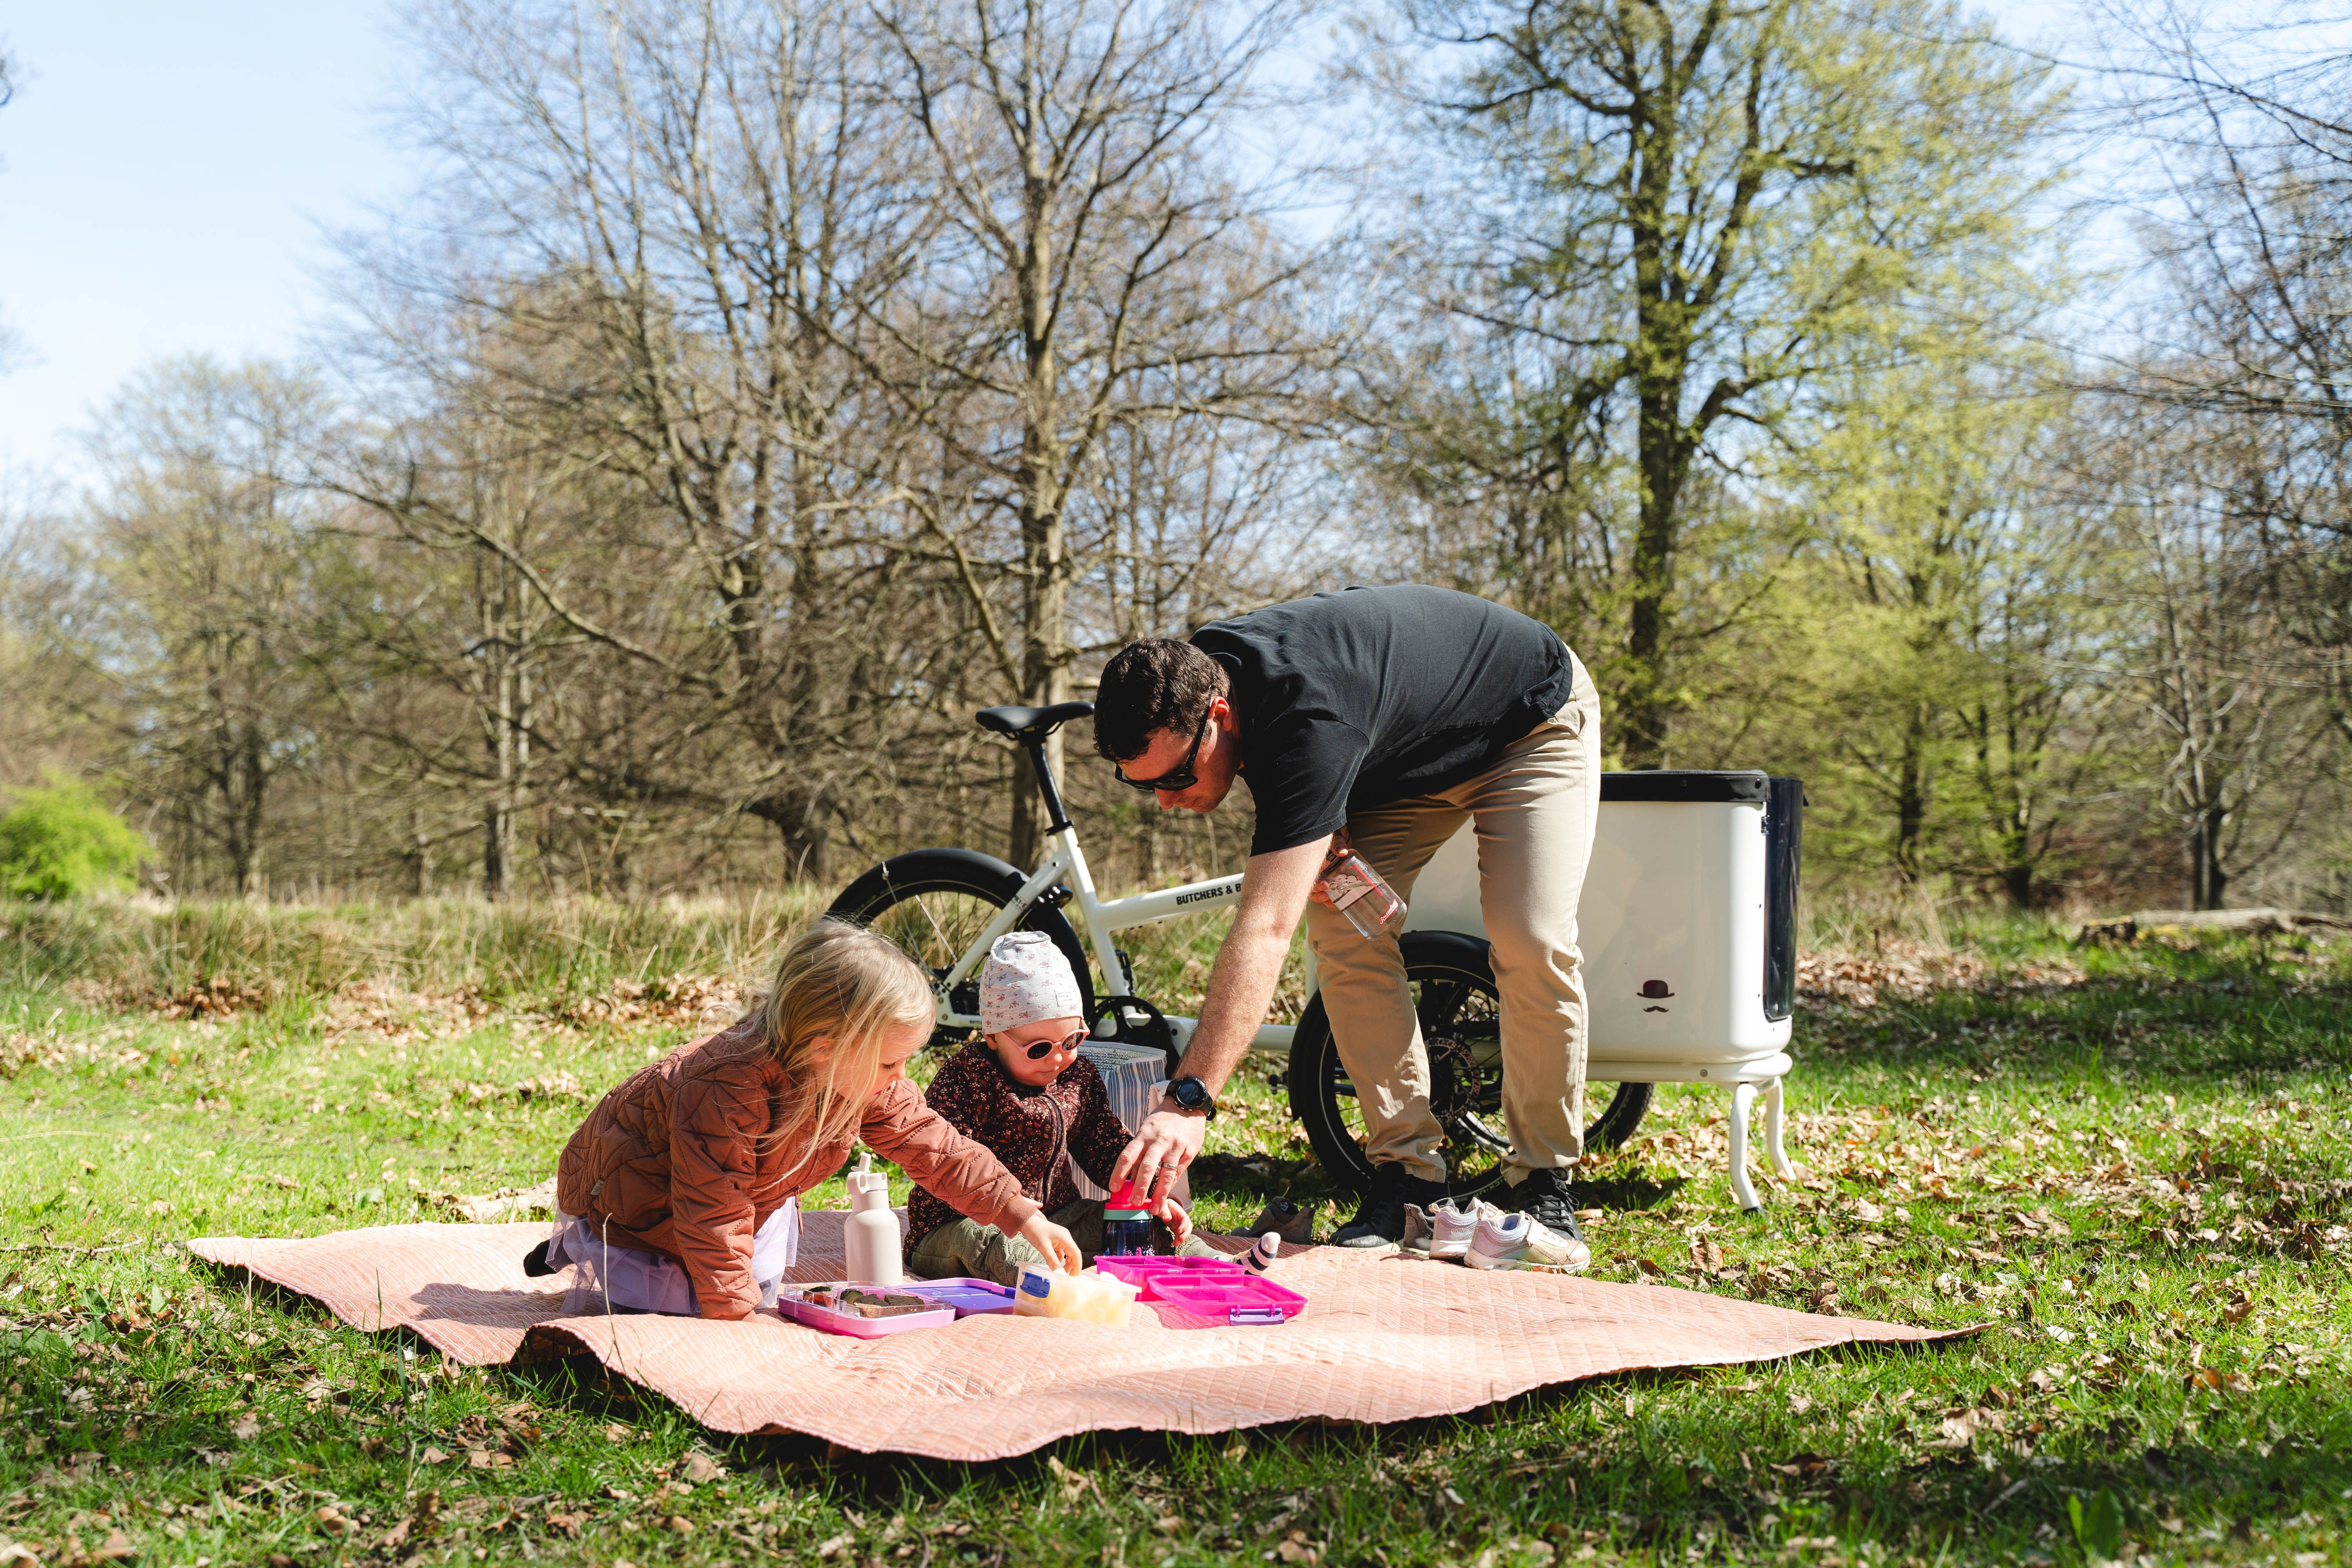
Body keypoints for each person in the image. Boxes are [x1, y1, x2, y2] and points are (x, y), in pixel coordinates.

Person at [1092, 584, 1601, 1254]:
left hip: (1527, 724)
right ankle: (1409, 1173)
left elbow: (1266, 927)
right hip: (1401, 764)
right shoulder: (1198, 672)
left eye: (1178, 777)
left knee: (1527, 934)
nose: (1164, 801)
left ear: (1219, 714)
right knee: (1343, 927)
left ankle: (1542, 1177)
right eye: (1142, 783)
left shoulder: (1306, 714)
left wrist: (1189, 1100)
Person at [537, 920, 1083, 1319]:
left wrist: (1020, 1214)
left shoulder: (860, 1076)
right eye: (891, 1061)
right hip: (643, 1204)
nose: (901, 1076)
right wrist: (733, 1317)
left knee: (749, 1275)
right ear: (827, 1048)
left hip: (750, 1193)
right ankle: (575, 1250)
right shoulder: (725, 1085)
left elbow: (935, 1144)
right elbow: (711, 1204)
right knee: (681, 1301)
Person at [906, 931, 1217, 1284]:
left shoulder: (1078, 1076)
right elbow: (948, 1157)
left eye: (1071, 1041)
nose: (1057, 1058)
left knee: (1137, 1226)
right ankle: (1058, 1283)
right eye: (1038, 1048)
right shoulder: (968, 1077)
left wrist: (1146, 1193)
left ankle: (1209, 1262)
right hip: (960, 1225)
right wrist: (1014, 1212)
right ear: (992, 1036)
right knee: (995, 1247)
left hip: (1059, 1217)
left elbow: (1103, 1145)